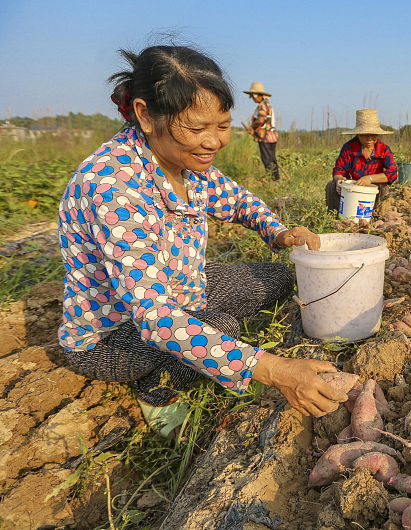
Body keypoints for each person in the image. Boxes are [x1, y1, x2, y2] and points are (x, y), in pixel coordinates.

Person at [58, 46, 347, 438]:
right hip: (116, 332)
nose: (213, 142)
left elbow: (236, 200)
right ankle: (157, 395)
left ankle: (213, 340)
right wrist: (275, 369)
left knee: (279, 278)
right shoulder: (113, 187)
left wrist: (277, 231)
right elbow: (157, 319)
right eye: (197, 129)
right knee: (221, 326)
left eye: (222, 126)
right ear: (144, 114)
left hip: (183, 286)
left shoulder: (184, 163)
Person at [326, 108, 398, 213]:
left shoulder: (384, 149)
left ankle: (375, 214)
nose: (369, 139)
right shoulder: (349, 148)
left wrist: (370, 178)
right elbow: (339, 169)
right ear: (358, 134)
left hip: (373, 186)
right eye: (365, 135)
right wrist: (339, 181)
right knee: (331, 186)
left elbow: (392, 173)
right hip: (352, 187)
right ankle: (336, 216)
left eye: (373, 135)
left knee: (384, 187)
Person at [245, 81, 280, 181]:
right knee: (272, 158)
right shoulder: (267, 104)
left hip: (265, 136)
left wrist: (252, 127)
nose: (253, 98)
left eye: (253, 96)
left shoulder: (262, 106)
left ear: (259, 96)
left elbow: (261, 120)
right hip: (272, 136)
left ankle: (273, 180)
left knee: (267, 159)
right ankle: (276, 179)